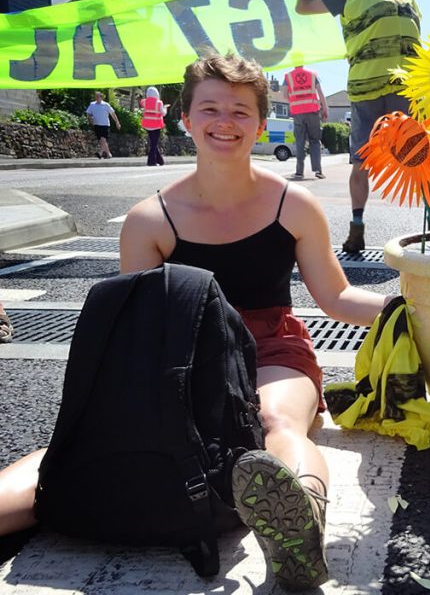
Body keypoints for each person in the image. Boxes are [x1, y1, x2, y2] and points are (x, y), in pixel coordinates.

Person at [0, 54, 390, 590]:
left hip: (273, 348)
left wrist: (411, 308)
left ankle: (300, 530)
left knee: (274, 422)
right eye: (209, 108)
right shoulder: (148, 220)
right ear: (185, 118)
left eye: (240, 110)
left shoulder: (294, 205)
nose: (224, 121)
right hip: (180, 356)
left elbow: (337, 297)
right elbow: (141, 329)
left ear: (259, 121)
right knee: (86, 445)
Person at [295, 0, 421, 254]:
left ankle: (357, 228)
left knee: (360, 163)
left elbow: (303, 6)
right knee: (420, 157)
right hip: (406, 86)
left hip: (366, 89)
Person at [283, 64, 328, 180]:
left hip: (297, 113)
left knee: (300, 141)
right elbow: (320, 93)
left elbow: (284, 94)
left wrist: (293, 101)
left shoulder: (288, 77)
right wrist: (325, 109)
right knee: (315, 141)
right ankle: (318, 170)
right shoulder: (312, 75)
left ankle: (299, 172)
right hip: (312, 111)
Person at [85, 91, 121, 159]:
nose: (97, 97)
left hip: (105, 125)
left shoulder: (106, 105)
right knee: (102, 140)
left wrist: (117, 122)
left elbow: (113, 114)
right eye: (96, 96)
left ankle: (100, 153)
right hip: (96, 124)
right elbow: (88, 113)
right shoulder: (92, 104)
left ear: (101, 97)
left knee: (103, 139)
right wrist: (90, 120)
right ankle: (109, 154)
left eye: (98, 96)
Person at [138, 86, 167, 166]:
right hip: (156, 125)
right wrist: (165, 108)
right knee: (154, 144)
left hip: (148, 125)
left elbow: (142, 103)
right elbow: (163, 113)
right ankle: (151, 161)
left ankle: (160, 161)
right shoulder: (159, 102)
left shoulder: (144, 102)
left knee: (153, 143)